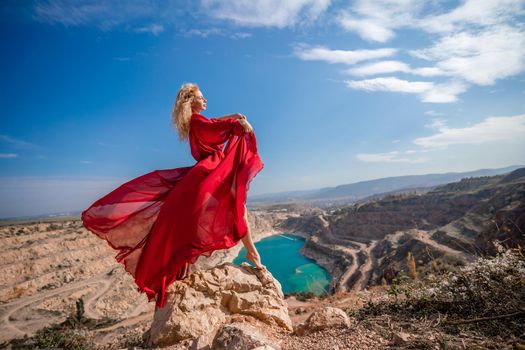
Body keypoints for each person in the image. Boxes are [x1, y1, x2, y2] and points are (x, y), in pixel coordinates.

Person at [81, 82, 265, 309]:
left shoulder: (196, 121)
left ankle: (250, 253)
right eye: (201, 97)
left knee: (237, 209)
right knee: (236, 208)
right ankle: (252, 254)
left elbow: (214, 123)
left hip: (206, 174)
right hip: (208, 174)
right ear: (191, 101)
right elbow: (216, 130)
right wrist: (239, 123)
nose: (206, 100)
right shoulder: (198, 122)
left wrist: (233, 116)